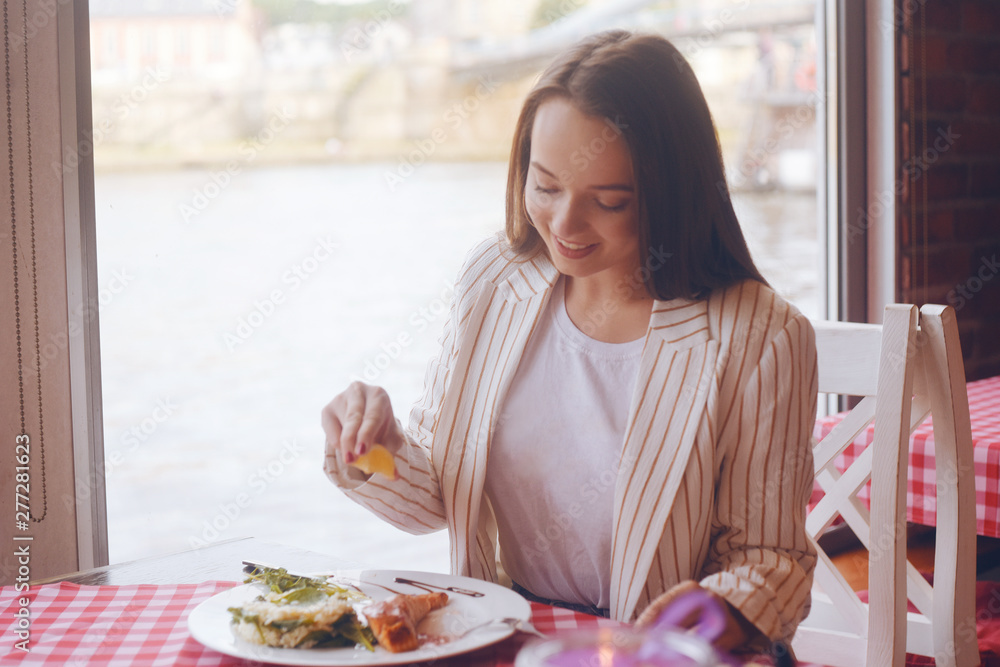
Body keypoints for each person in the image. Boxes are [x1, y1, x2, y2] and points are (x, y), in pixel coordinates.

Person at [322, 29, 817, 652]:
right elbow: (440, 499)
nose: (563, 224)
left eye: (608, 202)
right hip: (510, 638)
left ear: (674, 195)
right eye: (546, 186)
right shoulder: (495, 280)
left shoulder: (759, 337)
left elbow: (772, 559)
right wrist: (376, 448)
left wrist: (722, 611)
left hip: (667, 653)